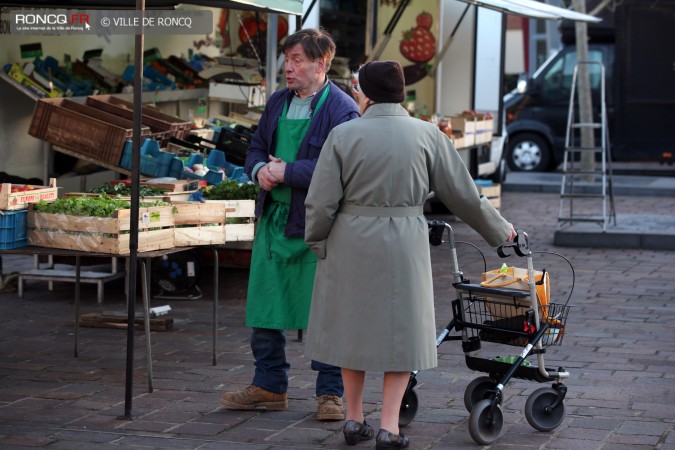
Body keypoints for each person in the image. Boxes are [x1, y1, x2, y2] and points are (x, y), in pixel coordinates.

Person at [304, 60, 517, 449]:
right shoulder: (428, 135)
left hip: (350, 239)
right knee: (400, 333)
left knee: (351, 329)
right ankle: (389, 426)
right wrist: (500, 230)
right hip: (405, 240)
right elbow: (464, 195)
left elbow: (319, 204)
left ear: (366, 93)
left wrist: (318, 242)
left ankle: (353, 420)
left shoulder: (342, 135)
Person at [218, 28, 360, 421]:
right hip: (275, 221)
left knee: (325, 311)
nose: (289, 68)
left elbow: (341, 169)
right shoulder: (278, 102)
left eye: (297, 60)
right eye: (287, 59)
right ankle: (269, 385)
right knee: (265, 306)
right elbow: (255, 148)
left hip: (319, 227)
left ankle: (330, 394)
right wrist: (260, 168)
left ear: (321, 63)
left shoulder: (342, 109)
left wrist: (288, 172)